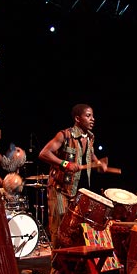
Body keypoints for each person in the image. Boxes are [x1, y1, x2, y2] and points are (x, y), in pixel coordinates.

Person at [38, 103, 107, 248]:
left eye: (92, 116)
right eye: (88, 116)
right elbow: (44, 153)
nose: (92, 119)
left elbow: (90, 152)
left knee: (72, 228)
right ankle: (56, 268)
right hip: (59, 188)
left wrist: (97, 163)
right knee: (59, 226)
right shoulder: (64, 135)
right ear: (77, 118)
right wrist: (65, 164)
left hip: (75, 190)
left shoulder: (89, 137)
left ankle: (67, 266)